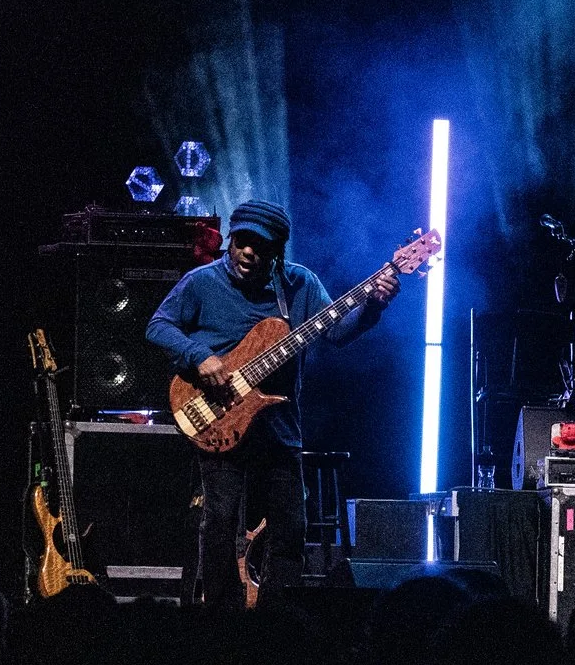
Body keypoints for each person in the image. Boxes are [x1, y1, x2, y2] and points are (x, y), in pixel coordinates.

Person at [146, 200, 397, 608]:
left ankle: (276, 622)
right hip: (218, 419)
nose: (247, 252)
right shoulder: (201, 283)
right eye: (241, 241)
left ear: (277, 251)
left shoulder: (299, 285)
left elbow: (336, 335)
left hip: (278, 428)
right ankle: (219, 619)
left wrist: (373, 307)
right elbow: (158, 326)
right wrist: (198, 356)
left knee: (291, 530)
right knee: (221, 524)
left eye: (259, 246)